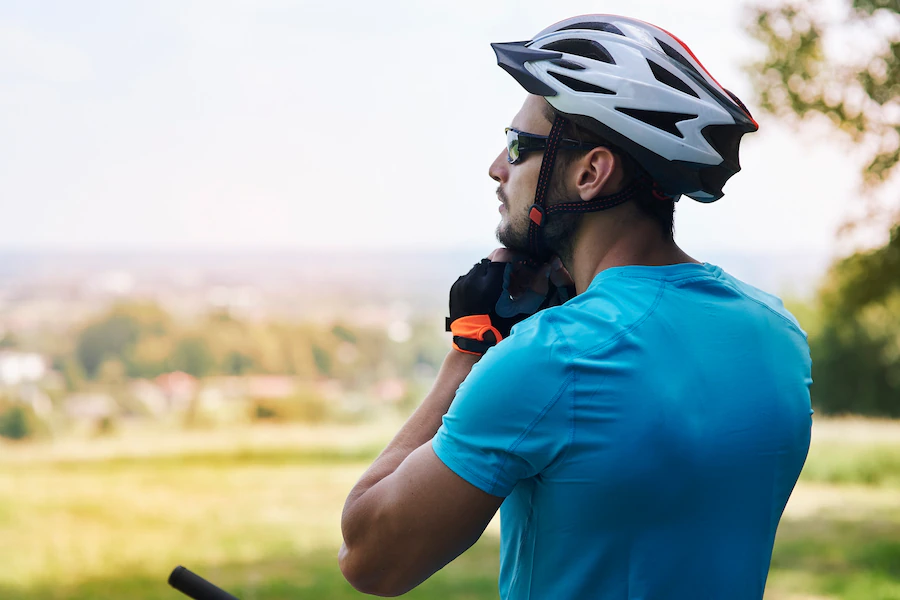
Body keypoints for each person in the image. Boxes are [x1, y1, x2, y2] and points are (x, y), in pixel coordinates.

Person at [339, 14, 812, 599]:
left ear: (591, 173)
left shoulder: (554, 357)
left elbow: (371, 556)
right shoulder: (778, 334)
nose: (496, 168)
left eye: (518, 146)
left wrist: (469, 351)